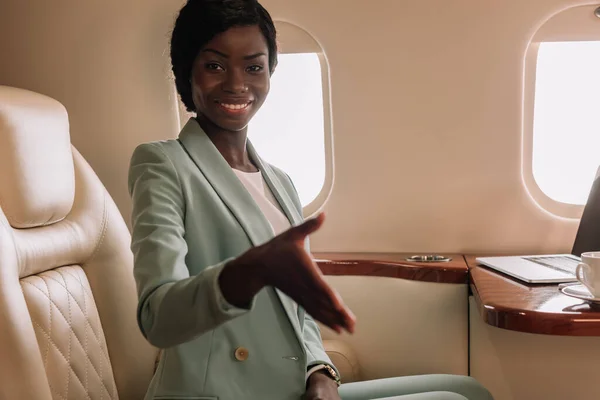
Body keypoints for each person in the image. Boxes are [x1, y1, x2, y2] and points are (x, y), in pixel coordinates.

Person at [128, 1, 494, 399]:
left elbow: (295, 310)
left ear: (270, 73)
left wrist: (321, 372)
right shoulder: (163, 164)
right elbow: (158, 317)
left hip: (291, 387)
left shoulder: (281, 183)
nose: (237, 84)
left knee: (466, 390)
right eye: (214, 65)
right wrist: (243, 274)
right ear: (186, 70)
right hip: (220, 392)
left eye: (254, 67)